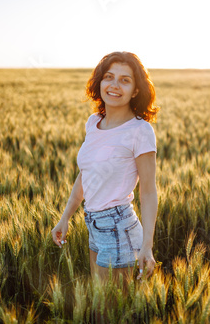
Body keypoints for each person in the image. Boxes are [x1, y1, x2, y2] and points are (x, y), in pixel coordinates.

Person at [51, 51, 160, 284]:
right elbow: (86, 175)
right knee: (98, 304)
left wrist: (147, 246)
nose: (114, 85)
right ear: (100, 82)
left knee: (109, 310)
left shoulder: (140, 131)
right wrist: (65, 218)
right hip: (93, 224)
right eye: (109, 77)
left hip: (119, 227)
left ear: (136, 90)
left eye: (125, 80)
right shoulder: (93, 123)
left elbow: (149, 191)